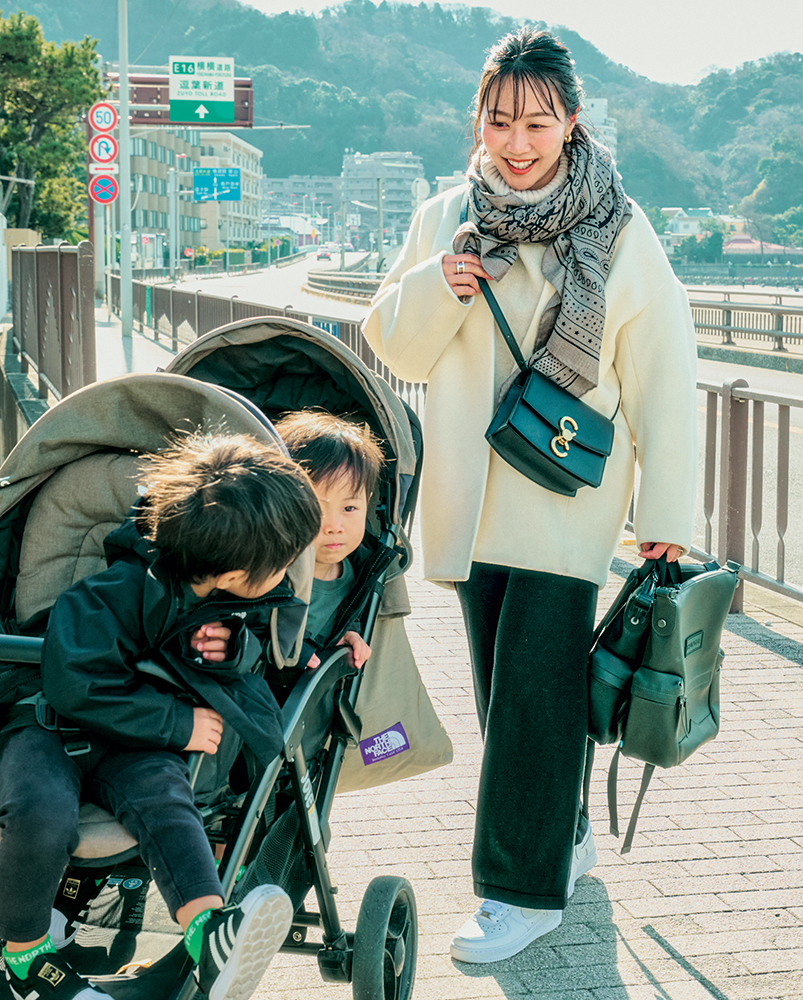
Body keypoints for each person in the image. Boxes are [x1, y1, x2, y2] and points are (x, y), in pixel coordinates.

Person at [363, 27, 698, 963]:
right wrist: (440, 285)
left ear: (572, 121)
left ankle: (520, 892)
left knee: (531, 695)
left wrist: (666, 517)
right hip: (471, 496)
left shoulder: (620, 229)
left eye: (537, 122)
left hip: (565, 497)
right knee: (512, 694)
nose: (517, 142)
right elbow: (392, 345)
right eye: (501, 120)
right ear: (478, 119)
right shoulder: (445, 219)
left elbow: (665, 373)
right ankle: (565, 835)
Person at [0, 433, 322, 1000]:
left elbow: (270, 639)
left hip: (134, 745)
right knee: (38, 812)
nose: (285, 574)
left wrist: (238, 649)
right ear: (235, 570)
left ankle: (209, 932)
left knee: (168, 805)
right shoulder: (113, 592)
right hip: (49, 724)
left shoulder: (237, 604)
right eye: (282, 564)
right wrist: (178, 723)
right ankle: (23, 953)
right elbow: (77, 684)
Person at [274, 410, 386, 670]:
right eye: (316, 510)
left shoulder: (356, 571)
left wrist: (348, 632)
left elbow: (343, 615)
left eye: (349, 508)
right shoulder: (269, 574)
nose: (335, 527)